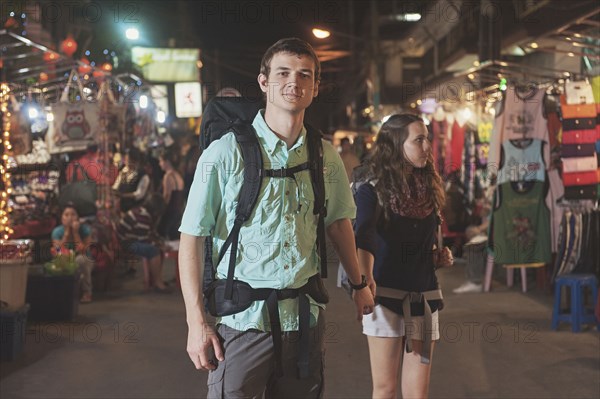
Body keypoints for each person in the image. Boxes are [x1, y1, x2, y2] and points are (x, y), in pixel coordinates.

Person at [178, 37, 374, 398]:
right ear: (263, 82)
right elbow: (191, 236)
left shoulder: (324, 155)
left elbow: (338, 221)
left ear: (314, 87)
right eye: (283, 72)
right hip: (242, 324)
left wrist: (360, 285)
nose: (294, 83)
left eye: (304, 75)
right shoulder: (224, 154)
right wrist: (196, 322)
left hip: (304, 322)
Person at [354, 114, 454, 399]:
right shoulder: (371, 190)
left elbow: (424, 244)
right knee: (385, 389)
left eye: (427, 139)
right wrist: (364, 284)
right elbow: (365, 238)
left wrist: (439, 257)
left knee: (417, 394)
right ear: (396, 145)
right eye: (418, 140)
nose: (427, 146)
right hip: (383, 296)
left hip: (423, 296)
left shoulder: (428, 188)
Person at [117, 193, 169, 292]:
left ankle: (155, 280)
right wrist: (159, 246)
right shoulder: (142, 216)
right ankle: (158, 283)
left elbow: (150, 232)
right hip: (125, 243)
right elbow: (144, 239)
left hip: (130, 239)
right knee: (153, 251)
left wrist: (161, 242)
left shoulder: (143, 212)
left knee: (156, 249)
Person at [51, 203, 94, 303]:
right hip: (65, 258)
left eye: (73, 214)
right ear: (62, 218)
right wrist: (66, 234)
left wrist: (75, 233)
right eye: (66, 215)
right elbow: (57, 251)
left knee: (81, 260)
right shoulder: (57, 232)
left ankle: (87, 292)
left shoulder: (85, 229)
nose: (70, 218)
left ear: (78, 217)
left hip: (84, 259)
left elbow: (84, 251)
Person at [157, 148, 185, 240]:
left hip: (169, 211)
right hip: (178, 211)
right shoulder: (178, 174)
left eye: (161, 161)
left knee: (164, 235)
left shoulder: (168, 176)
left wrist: (160, 212)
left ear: (167, 162)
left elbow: (167, 196)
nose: (159, 163)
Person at [112, 147, 150, 213]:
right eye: (125, 160)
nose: (126, 162)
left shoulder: (143, 176)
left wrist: (123, 195)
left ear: (135, 161)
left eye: (128, 160)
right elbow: (116, 185)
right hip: (121, 208)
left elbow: (139, 194)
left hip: (134, 210)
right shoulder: (124, 170)